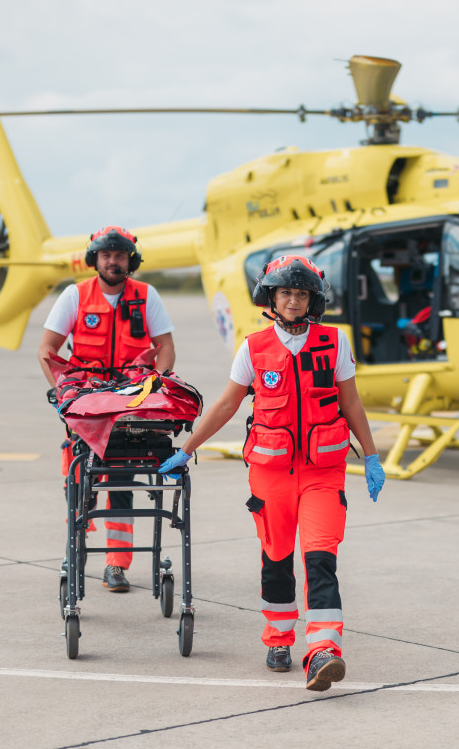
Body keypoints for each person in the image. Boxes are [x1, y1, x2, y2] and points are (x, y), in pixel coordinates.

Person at [157, 255, 386, 692]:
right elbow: (226, 405)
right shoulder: (254, 347)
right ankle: (278, 639)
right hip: (271, 473)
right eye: (286, 293)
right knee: (277, 560)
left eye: (302, 293)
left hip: (323, 471)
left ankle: (323, 651)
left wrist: (372, 457)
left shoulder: (334, 343)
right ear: (272, 297)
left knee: (321, 559)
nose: (294, 300)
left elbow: (351, 403)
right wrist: (186, 450)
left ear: (313, 299)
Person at [37, 225, 177, 592]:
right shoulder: (75, 295)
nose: (113, 261)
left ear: (131, 260)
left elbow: (166, 348)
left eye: (120, 255)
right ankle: (76, 549)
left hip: (129, 400)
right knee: (79, 478)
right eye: (106, 255)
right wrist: (66, 397)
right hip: (87, 402)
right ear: (95, 260)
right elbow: (47, 351)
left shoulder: (147, 296)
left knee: (122, 478)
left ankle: (116, 565)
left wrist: (153, 385)